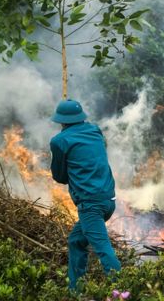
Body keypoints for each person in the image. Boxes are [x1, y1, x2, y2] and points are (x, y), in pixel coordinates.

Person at [49, 99, 121, 290]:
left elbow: (60, 176)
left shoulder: (59, 141)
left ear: (61, 121)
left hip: (90, 205)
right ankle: (75, 290)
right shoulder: (95, 130)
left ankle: (124, 290)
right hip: (108, 200)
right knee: (76, 241)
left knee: (103, 249)